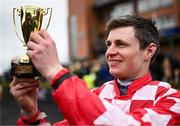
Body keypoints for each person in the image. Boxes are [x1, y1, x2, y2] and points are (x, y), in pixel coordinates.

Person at [10, 15, 180, 125]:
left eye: (121, 44)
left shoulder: (171, 98)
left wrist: (55, 71)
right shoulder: (96, 94)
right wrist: (30, 114)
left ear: (149, 51)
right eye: (108, 44)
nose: (109, 52)